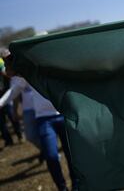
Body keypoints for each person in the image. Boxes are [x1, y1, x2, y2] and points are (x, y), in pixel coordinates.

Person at [4, 54, 79, 191]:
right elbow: (14, 87)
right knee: (51, 156)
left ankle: (76, 185)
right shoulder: (29, 73)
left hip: (63, 116)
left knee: (72, 156)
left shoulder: (57, 68)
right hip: (44, 119)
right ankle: (62, 188)